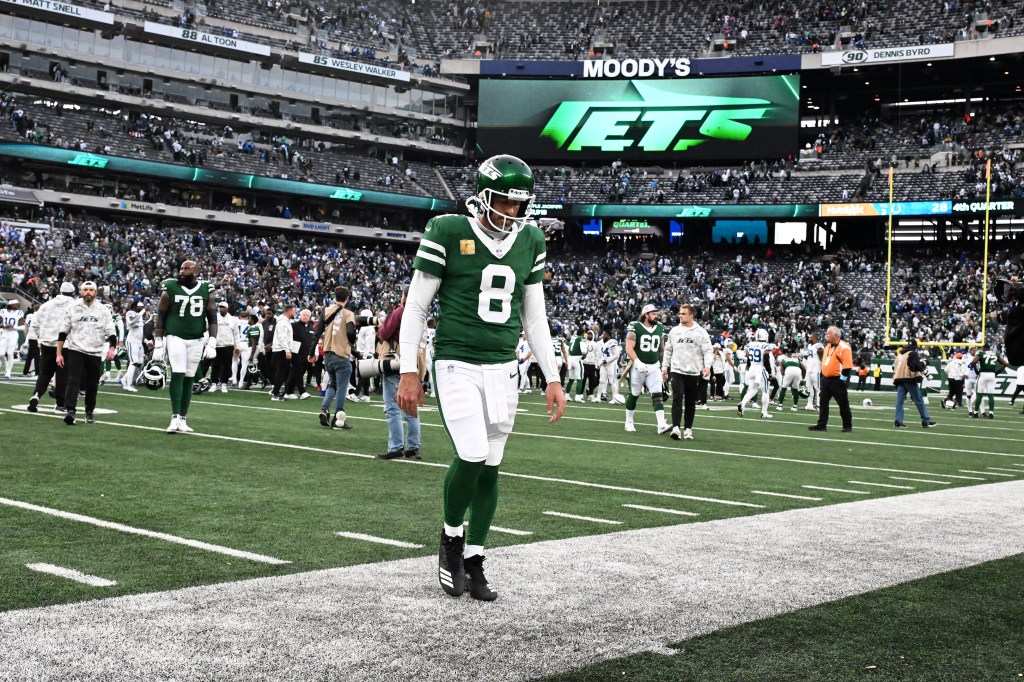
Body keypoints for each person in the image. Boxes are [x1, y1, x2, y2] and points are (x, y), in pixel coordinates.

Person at [396, 154, 565, 602]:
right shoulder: (448, 230)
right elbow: (416, 307)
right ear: (483, 195)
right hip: (456, 360)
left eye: (519, 204)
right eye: (506, 203)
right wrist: (409, 370)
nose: (513, 212)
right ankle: (451, 538)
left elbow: (535, 316)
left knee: (491, 465)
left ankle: (476, 556)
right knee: (470, 454)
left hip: (503, 366)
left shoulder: (530, 238)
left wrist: (552, 375)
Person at [154, 260, 218, 433]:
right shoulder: (170, 287)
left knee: (190, 377)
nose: (182, 271)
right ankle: (174, 417)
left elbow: (212, 317)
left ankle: (183, 418)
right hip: (175, 336)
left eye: (187, 268)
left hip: (197, 338)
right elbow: (160, 316)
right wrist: (158, 342)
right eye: (181, 268)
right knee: (178, 372)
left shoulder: (206, 288)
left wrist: (212, 340)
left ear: (195, 271)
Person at [55, 282, 117, 425]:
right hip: (76, 349)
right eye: (85, 290)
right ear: (81, 292)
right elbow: (63, 331)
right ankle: (70, 411)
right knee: (73, 380)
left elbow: (111, 331)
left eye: (91, 290)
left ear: (95, 292)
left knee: (92, 383)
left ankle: (89, 411)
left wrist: (112, 348)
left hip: (95, 351)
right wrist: (59, 353)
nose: (88, 292)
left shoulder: (103, 310)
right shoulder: (72, 307)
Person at [376, 286, 421, 460]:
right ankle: (413, 446)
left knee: (393, 407)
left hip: (396, 360)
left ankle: (396, 447)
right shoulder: (420, 314)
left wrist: (381, 327)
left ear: (404, 296)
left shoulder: (400, 312)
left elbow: (384, 333)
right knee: (410, 404)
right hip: (413, 362)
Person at [662, 304, 712, 440]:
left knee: (690, 402)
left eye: (683, 314)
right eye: (680, 313)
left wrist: (707, 366)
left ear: (691, 315)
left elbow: (707, 350)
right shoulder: (674, 331)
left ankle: (688, 429)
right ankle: (676, 427)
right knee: (677, 398)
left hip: (693, 372)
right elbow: (668, 350)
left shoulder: (700, 332)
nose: (680, 316)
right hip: (677, 370)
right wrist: (664, 367)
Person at [27, 282, 77, 413]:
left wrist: (42, 337)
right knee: (62, 374)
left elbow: (35, 325)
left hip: (47, 343)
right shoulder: (75, 305)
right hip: (65, 344)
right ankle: (60, 404)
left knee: (45, 373)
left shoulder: (46, 305)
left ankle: (36, 395)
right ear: (73, 292)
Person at [313, 287, 356, 429]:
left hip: (328, 353)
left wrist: (310, 351)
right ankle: (339, 418)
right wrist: (352, 343)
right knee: (342, 388)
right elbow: (350, 332)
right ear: (347, 298)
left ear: (335, 296)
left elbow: (318, 332)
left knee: (332, 384)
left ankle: (324, 409)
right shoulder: (348, 313)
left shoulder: (326, 311)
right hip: (341, 353)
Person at [625, 304, 669, 433]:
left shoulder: (659, 327)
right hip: (638, 367)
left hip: (654, 366)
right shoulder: (635, 327)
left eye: (657, 313)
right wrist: (637, 362)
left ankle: (661, 425)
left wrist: (664, 366)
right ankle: (629, 421)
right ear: (646, 315)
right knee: (634, 394)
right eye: (654, 313)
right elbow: (628, 347)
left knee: (658, 395)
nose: (657, 316)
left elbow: (662, 350)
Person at [809, 325, 853, 432]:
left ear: (835, 335)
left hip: (837, 379)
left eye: (828, 333)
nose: (826, 335)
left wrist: (842, 380)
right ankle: (821, 424)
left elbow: (847, 366)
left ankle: (847, 426)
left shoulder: (844, 347)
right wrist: (823, 376)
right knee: (823, 402)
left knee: (843, 404)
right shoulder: (828, 346)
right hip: (826, 379)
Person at [892, 339, 937, 428]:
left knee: (900, 401)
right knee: (919, 400)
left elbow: (894, 367)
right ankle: (925, 420)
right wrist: (924, 369)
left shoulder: (900, 355)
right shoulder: (912, 353)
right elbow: (915, 366)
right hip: (909, 378)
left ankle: (898, 421)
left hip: (899, 379)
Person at [737, 328, 775, 420]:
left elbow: (748, 356)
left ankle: (742, 404)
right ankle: (764, 413)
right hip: (761, 369)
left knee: (753, 390)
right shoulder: (767, 346)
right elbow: (766, 360)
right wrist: (770, 373)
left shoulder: (749, 344)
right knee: (765, 391)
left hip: (752, 369)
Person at [969, 345, 1008, 419]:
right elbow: (1005, 364)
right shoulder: (996, 354)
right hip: (992, 375)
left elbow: (973, 361)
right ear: (990, 348)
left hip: (983, 374)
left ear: (983, 348)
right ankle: (991, 413)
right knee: (991, 395)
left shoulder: (981, 354)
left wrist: (976, 371)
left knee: (979, 395)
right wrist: (997, 372)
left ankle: (976, 412)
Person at [286, 308, 314, 399]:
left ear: (310, 317)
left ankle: (288, 391)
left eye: (307, 315)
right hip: (296, 353)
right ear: (300, 315)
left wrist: (314, 353)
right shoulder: (293, 325)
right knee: (297, 371)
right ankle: (302, 392)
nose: (305, 317)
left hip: (307, 354)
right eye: (304, 315)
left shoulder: (311, 327)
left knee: (298, 373)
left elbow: (314, 341)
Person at [270, 304, 296, 401]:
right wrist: (287, 350)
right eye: (294, 311)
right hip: (281, 350)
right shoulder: (283, 323)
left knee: (285, 372)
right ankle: (275, 393)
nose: (295, 313)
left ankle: (276, 390)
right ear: (289, 311)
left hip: (282, 349)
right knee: (281, 372)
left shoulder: (285, 321)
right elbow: (282, 337)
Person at [212, 301, 239, 394]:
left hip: (228, 345)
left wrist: (237, 347)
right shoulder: (214, 318)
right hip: (217, 345)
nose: (221, 309)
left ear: (227, 308)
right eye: (220, 307)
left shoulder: (233, 319)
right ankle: (214, 384)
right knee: (215, 366)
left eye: (223, 307)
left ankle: (224, 384)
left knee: (227, 366)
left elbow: (236, 334)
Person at [122, 300, 147, 392]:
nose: (142, 308)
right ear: (136, 306)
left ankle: (124, 380)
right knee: (134, 362)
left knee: (139, 362)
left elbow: (140, 332)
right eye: (140, 306)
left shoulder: (140, 316)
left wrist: (146, 341)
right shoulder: (130, 313)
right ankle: (129, 384)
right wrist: (142, 311)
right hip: (132, 341)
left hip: (139, 342)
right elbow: (132, 322)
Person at [1, 298, 25, 378]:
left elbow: (23, 326)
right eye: (16, 304)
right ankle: (7, 368)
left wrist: (13, 326)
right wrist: (4, 326)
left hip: (13, 334)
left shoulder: (20, 312)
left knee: (10, 353)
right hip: (4, 333)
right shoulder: (3, 311)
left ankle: (8, 372)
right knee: (1, 354)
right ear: (11, 305)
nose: (18, 305)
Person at [599, 330, 624, 403]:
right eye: (603, 334)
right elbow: (604, 356)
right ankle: (599, 396)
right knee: (602, 381)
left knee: (613, 382)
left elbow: (617, 355)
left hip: (612, 365)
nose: (603, 336)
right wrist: (600, 363)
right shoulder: (604, 344)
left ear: (609, 336)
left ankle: (615, 398)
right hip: (605, 365)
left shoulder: (612, 342)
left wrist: (607, 361)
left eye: (605, 334)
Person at [564, 327, 588, 403]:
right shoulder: (581, 338)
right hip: (577, 359)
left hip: (570, 359)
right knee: (579, 378)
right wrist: (585, 354)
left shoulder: (573, 337)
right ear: (583, 332)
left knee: (571, 379)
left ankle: (566, 395)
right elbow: (583, 350)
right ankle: (577, 396)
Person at [803, 333, 823, 411]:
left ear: (814, 338)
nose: (809, 338)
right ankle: (809, 404)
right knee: (809, 387)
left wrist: (822, 363)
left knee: (817, 388)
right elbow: (809, 356)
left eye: (810, 337)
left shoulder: (819, 345)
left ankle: (819, 405)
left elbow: (821, 352)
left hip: (816, 369)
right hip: (809, 369)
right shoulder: (811, 346)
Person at [581, 330, 601, 401]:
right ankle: (580, 394)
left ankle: (590, 394)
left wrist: (598, 364)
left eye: (591, 334)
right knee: (583, 380)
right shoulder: (584, 343)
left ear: (593, 335)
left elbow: (598, 355)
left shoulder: (596, 344)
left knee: (592, 380)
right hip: (584, 363)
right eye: (588, 334)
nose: (590, 336)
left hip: (592, 364)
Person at [22, 304, 38, 376]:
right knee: (37, 356)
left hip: (30, 337)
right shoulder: (40, 316)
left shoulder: (29, 316)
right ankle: (37, 371)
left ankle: (25, 371)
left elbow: (26, 328)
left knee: (30, 355)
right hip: (37, 337)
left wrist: (26, 338)